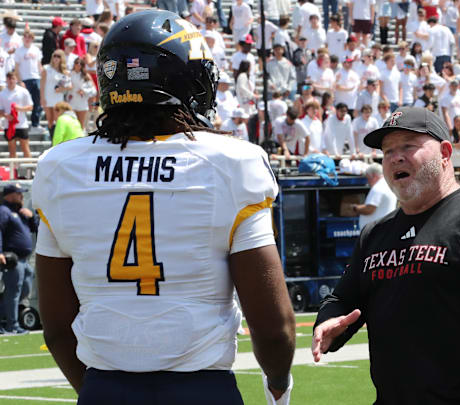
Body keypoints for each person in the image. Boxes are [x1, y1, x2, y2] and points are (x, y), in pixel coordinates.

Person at [33, 11, 295, 404]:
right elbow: (273, 328)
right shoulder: (231, 163)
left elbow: (55, 327)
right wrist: (278, 382)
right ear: (183, 81)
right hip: (201, 390)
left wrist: (96, 391)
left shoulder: (59, 168)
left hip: (105, 388)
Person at [312, 106, 460, 404]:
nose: (396, 157)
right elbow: (344, 298)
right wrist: (329, 322)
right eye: (388, 150)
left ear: (445, 153)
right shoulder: (375, 235)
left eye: (408, 145)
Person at [0, 183, 38, 335]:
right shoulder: (4, 211)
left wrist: (32, 217)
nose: (22, 195)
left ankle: (8, 319)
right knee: (13, 292)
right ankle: (12, 326)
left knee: (25, 288)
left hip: (24, 260)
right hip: (13, 259)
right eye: (18, 193)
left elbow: (35, 229)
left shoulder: (21, 212)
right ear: (10, 195)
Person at [353, 163, 397, 229]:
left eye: (368, 178)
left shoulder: (378, 187)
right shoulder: (388, 184)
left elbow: (369, 209)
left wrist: (355, 208)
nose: (368, 182)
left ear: (374, 176)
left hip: (376, 231)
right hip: (384, 228)